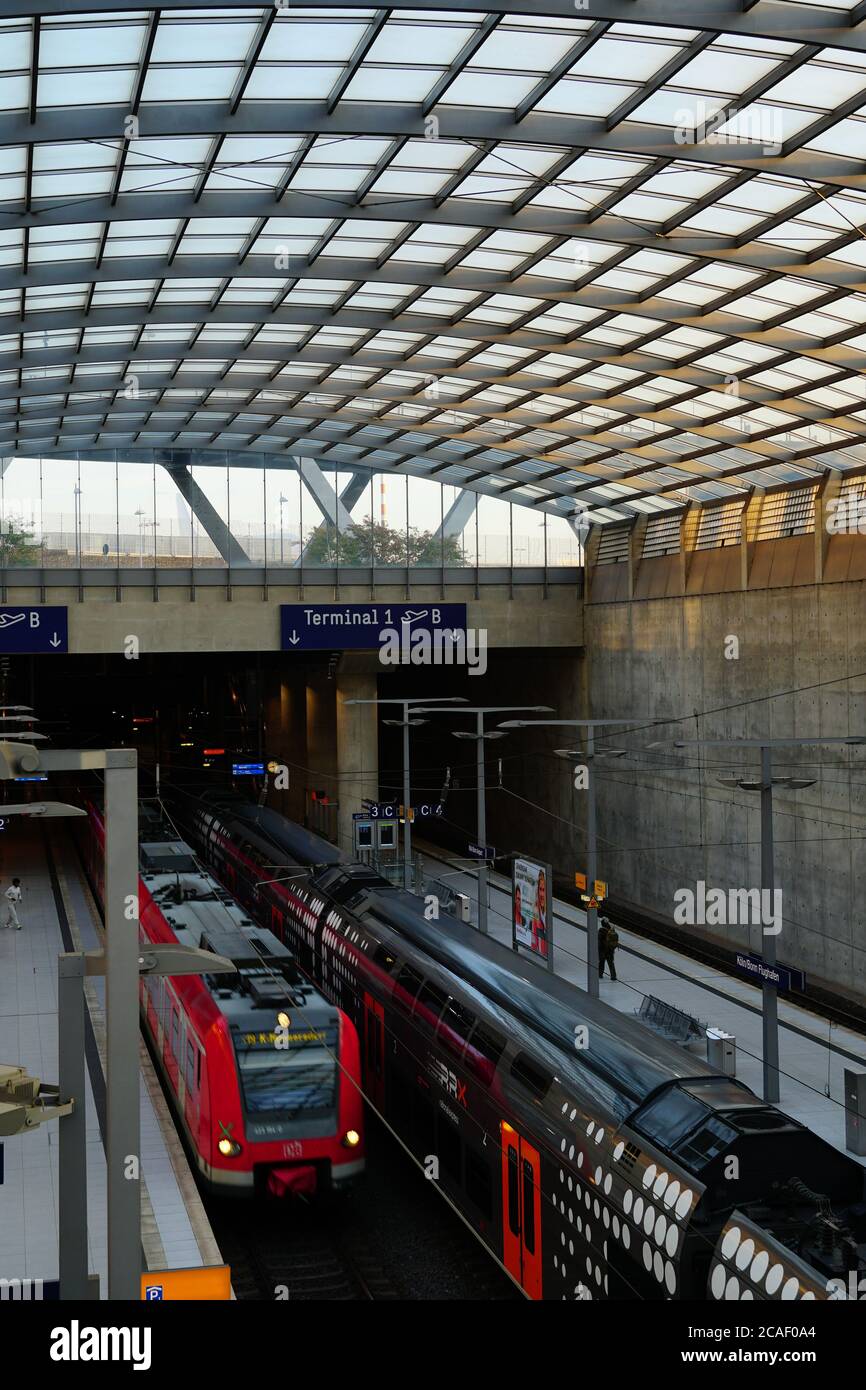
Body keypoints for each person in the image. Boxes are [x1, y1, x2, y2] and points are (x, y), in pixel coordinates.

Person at [598, 915, 619, 980]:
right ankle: (613, 976)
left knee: (601, 962)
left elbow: (599, 941)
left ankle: (600, 974)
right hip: (610, 950)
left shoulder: (601, 931)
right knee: (611, 963)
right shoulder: (611, 930)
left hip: (603, 950)